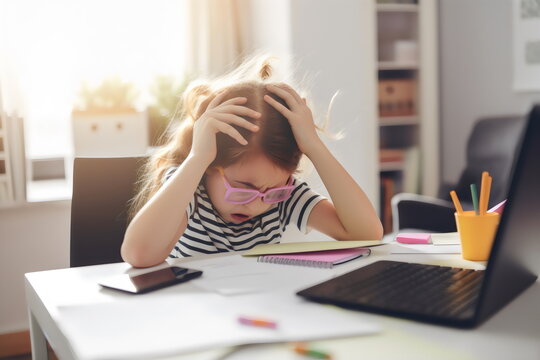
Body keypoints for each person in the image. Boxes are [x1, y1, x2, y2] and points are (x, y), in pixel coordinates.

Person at [121, 56, 383, 268]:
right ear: (211, 165)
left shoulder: (282, 197)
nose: (257, 202)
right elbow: (138, 254)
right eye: (243, 186)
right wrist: (196, 158)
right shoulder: (190, 190)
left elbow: (366, 234)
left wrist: (314, 147)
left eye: (273, 191)